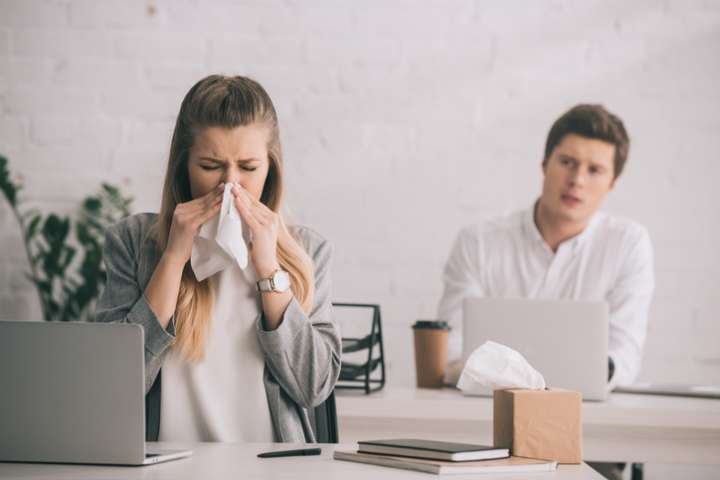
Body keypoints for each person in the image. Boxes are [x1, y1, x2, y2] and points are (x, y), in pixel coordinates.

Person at [95, 75, 341, 444]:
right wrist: (174, 256)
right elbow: (114, 386)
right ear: (184, 165)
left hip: (271, 469)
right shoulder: (132, 241)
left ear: (270, 167)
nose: (230, 185)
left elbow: (314, 386)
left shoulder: (308, 250)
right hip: (166, 469)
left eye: (248, 167)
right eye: (210, 166)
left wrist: (268, 269)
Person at [437, 104, 654, 479]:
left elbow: (624, 354)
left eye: (595, 170)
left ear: (612, 183)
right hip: (483, 435)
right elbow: (455, 349)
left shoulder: (628, 244)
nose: (577, 180)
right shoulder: (479, 242)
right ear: (544, 165)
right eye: (567, 162)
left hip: (589, 435)